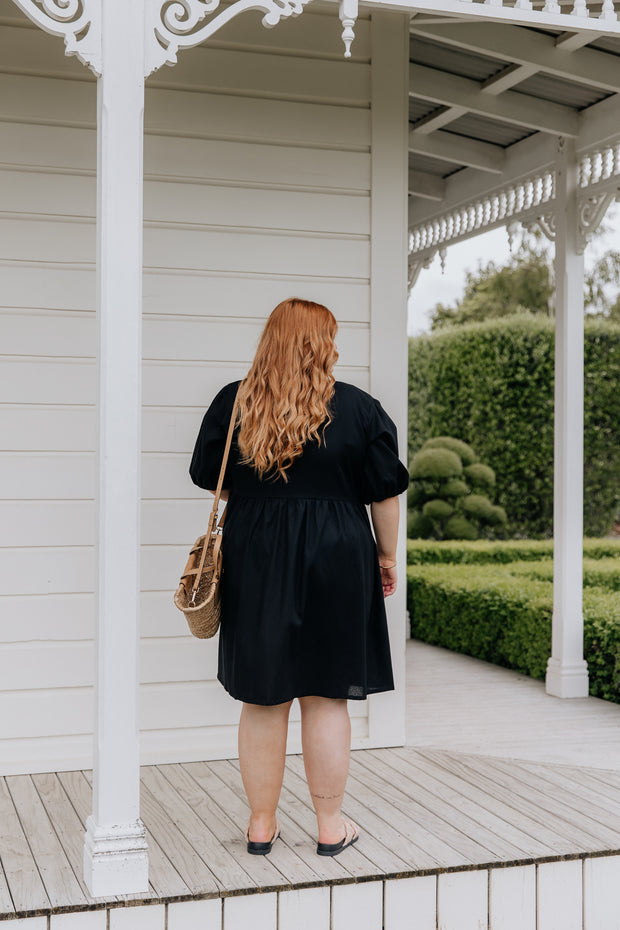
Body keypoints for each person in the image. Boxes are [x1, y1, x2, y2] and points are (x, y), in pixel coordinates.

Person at [189, 297, 409, 857]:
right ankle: (330, 827)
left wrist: (269, 504)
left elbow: (211, 480)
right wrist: (386, 556)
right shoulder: (359, 410)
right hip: (338, 553)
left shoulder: (235, 403)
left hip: (257, 552)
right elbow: (384, 492)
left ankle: (261, 824)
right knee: (326, 696)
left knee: (263, 699)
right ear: (322, 344)